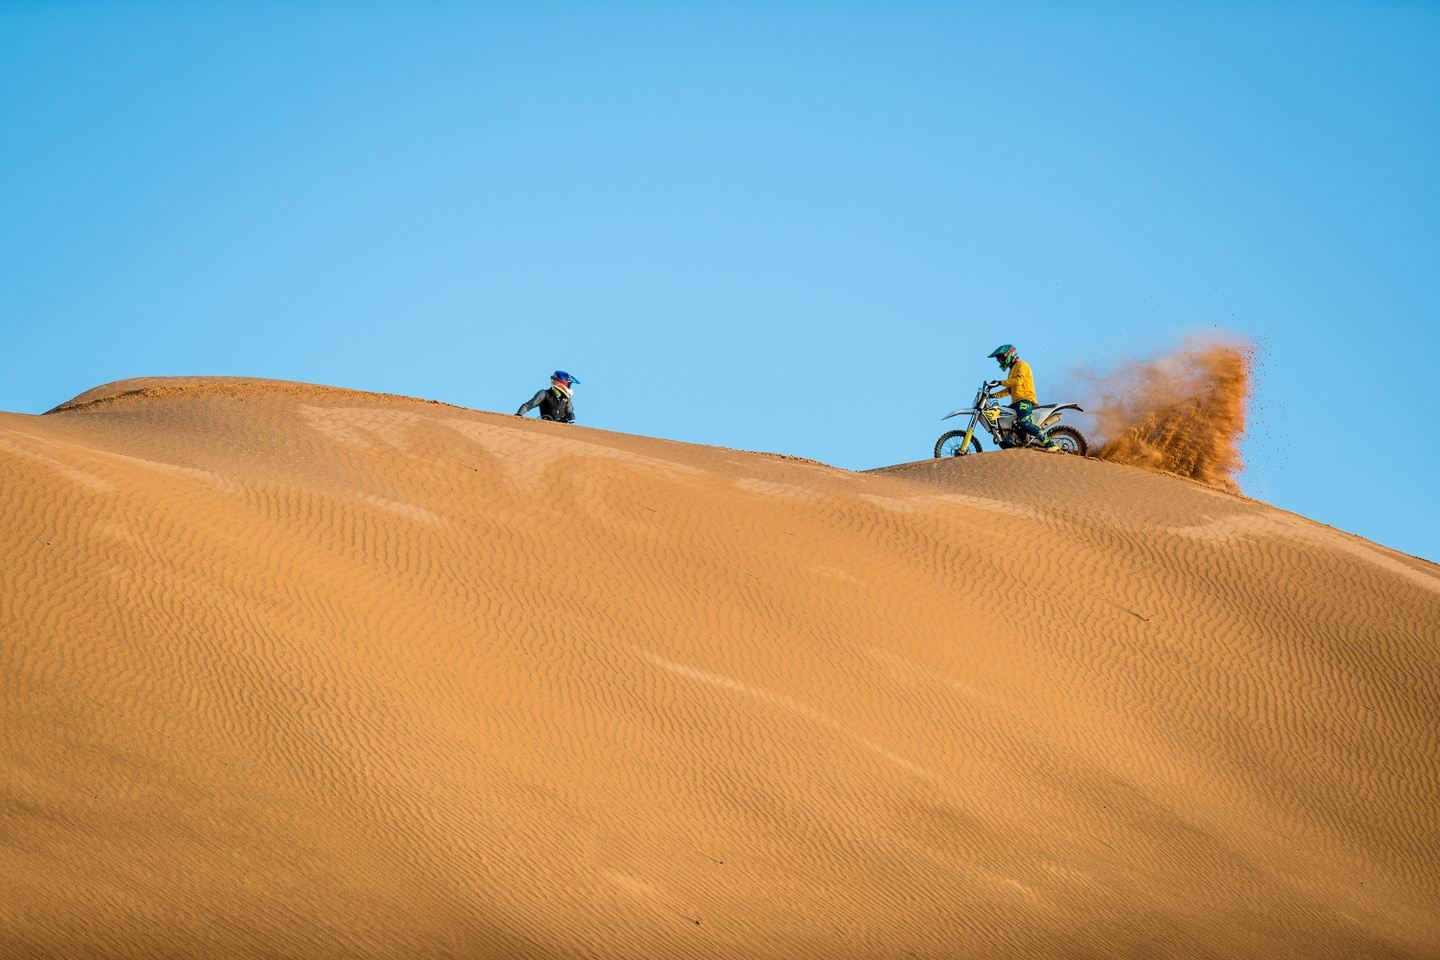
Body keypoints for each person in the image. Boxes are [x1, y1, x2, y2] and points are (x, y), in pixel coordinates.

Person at [986, 344, 1060, 451]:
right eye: (999, 360)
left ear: (1008, 355)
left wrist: (1000, 382)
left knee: (1024, 423)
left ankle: (1049, 443)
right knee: (1005, 419)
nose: (1000, 362)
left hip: (1025, 400)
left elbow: (1018, 381)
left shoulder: (1022, 365)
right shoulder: (1011, 371)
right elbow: (1009, 390)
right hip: (1016, 403)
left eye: (1001, 358)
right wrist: (992, 395)